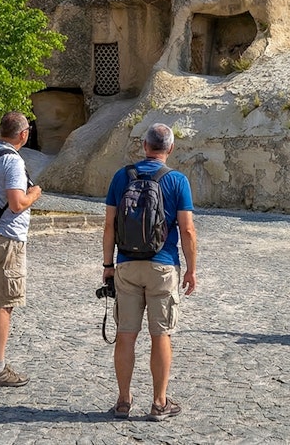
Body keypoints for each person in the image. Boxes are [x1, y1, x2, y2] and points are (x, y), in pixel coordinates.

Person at [103, 123, 197, 421]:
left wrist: (108, 265)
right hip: (163, 264)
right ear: (170, 149)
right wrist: (191, 270)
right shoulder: (177, 181)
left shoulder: (122, 176)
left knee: (126, 335)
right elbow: (188, 230)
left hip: (127, 264)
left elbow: (108, 225)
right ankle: (159, 403)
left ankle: (122, 401)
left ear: (144, 146)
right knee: (161, 336)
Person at [0, 111, 42, 387]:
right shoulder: (12, 161)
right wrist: (35, 193)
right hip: (7, 239)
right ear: (23, 134)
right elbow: (17, 203)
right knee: (4, 304)